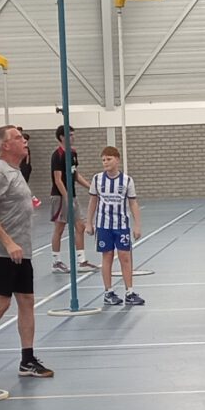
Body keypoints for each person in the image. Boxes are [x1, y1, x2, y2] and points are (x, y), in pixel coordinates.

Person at [0, 124, 53, 383]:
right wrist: (8, 243)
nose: (24, 140)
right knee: (2, 302)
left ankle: (27, 359)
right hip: (1, 252)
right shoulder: (0, 173)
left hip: (21, 250)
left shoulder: (17, 172)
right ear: (5, 145)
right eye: (17, 138)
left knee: (26, 300)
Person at [86, 142, 143, 307]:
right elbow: (93, 201)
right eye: (103, 160)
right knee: (107, 256)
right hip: (103, 225)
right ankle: (108, 292)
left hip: (121, 225)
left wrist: (137, 225)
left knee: (125, 256)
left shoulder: (127, 180)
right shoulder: (97, 179)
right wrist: (89, 222)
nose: (105, 162)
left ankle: (129, 292)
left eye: (109, 159)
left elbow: (133, 203)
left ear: (117, 160)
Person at [46, 125, 76, 259]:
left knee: (80, 226)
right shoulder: (57, 155)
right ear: (62, 137)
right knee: (59, 228)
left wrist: (91, 187)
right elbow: (58, 180)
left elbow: (75, 174)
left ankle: (81, 259)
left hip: (71, 194)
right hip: (60, 196)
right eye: (70, 135)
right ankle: (56, 261)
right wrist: (67, 198)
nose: (73, 137)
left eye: (73, 134)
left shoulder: (73, 153)